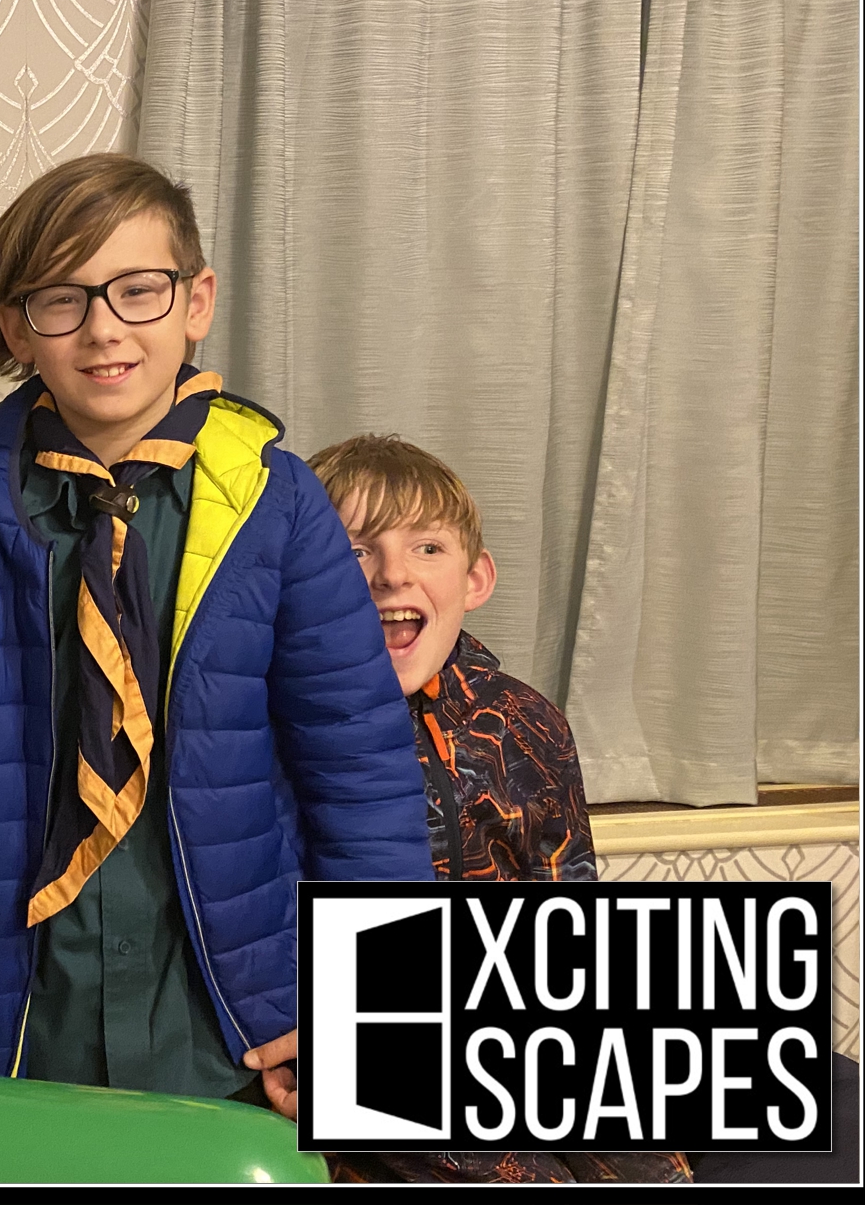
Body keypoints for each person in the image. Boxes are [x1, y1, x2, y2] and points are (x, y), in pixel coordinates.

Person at [0, 154, 434, 1123]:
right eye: (62, 299)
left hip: (233, 1034)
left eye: (138, 290)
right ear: (16, 329)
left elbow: (358, 772)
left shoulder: (277, 506)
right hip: (24, 1041)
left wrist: (365, 1011)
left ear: (196, 301)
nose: (103, 329)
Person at [306, 432, 691, 1184]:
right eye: (354, 551)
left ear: (475, 577)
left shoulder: (527, 722)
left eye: (426, 548)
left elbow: (570, 910)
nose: (391, 575)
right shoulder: (275, 730)